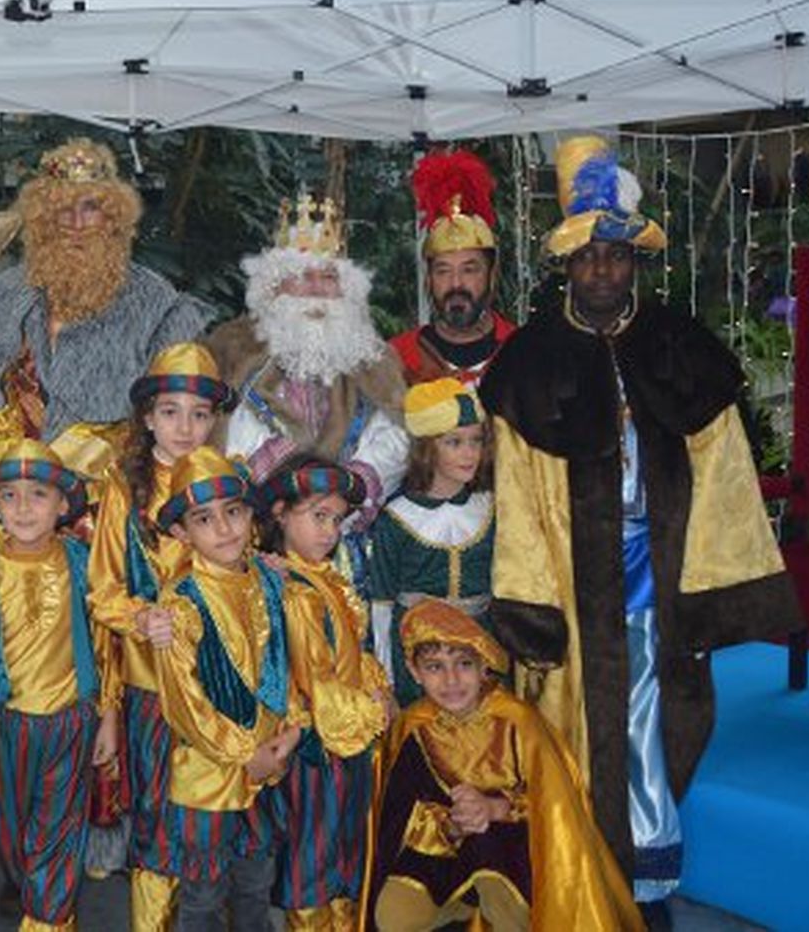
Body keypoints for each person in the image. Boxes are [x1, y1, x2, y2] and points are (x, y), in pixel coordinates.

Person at [478, 136, 802, 910]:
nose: (602, 269)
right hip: (568, 580)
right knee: (580, 730)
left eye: (616, 255)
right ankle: (584, 875)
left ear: (635, 262)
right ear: (567, 263)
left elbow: (724, 471)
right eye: (588, 255)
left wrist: (719, 584)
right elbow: (519, 497)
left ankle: (646, 883)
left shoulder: (679, 346)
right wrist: (528, 601)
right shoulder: (527, 363)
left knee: (653, 726)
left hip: (662, 573)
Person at [0, 137, 212, 529]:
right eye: (61, 209)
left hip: (107, 529)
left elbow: (176, 432)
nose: (75, 223)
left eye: (90, 208)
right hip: (5, 521)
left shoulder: (158, 306)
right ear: (41, 220)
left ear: (114, 218)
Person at [365, 599, 643, 932]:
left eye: (464, 664)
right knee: (395, 913)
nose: (451, 680)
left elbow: (554, 807)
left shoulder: (517, 722)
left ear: (485, 667)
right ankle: (461, 913)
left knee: (504, 895)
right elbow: (399, 819)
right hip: (447, 849)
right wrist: (452, 825)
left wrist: (495, 809)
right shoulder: (414, 729)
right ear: (415, 672)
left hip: (513, 848)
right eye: (435, 667)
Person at [86, 341, 235, 930]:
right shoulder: (124, 489)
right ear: (147, 416)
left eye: (200, 414)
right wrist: (139, 618)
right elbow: (102, 592)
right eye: (170, 411)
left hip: (220, 685)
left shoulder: (230, 481)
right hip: (152, 689)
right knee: (154, 819)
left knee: (210, 818)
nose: (185, 427)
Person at [0, 439, 118, 931]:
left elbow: (107, 646)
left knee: (58, 838)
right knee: (13, 835)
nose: (23, 508)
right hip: (2, 725)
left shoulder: (84, 563)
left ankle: (48, 917)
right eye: (10, 496)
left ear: (63, 504)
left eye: (38, 494)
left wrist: (107, 716)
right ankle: (36, 902)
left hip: (70, 721)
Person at [146, 446, 304, 932]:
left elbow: (291, 664)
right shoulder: (180, 606)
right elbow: (184, 706)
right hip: (208, 780)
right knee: (203, 898)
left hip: (268, 767)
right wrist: (245, 753)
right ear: (181, 533)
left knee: (256, 886)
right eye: (204, 519)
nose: (224, 528)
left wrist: (292, 731)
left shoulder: (271, 582)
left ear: (250, 515)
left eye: (233, 511)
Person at [207, 193, 409, 529]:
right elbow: (212, 433)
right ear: (274, 287)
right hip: (253, 534)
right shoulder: (230, 352)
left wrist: (356, 484)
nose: (316, 289)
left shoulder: (374, 359)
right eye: (302, 275)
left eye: (329, 277)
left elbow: (398, 435)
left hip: (345, 534)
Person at [256, 456, 391, 930]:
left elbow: (352, 651)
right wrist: (368, 709)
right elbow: (311, 682)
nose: (330, 531)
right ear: (279, 514)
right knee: (311, 865)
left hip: (348, 745)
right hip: (316, 750)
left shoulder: (324, 578)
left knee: (346, 861)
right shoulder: (289, 590)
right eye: (318, 517)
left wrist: (377, 684)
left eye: (336, 520)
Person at [364, 378, 496, 704]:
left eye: (475, 441)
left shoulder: (491, 508)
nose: (469, 454)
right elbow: (381, 605)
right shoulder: (395, 519)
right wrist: (387, 681)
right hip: (417, 662)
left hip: (480, 653)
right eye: (454, 443)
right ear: (427, 448)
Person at [390, 149, 518, 386]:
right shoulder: (398, 358)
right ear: (428, 280)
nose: (456, 283)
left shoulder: (525, 351)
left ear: (491, 275)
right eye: (443, 271)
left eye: (469, 270)